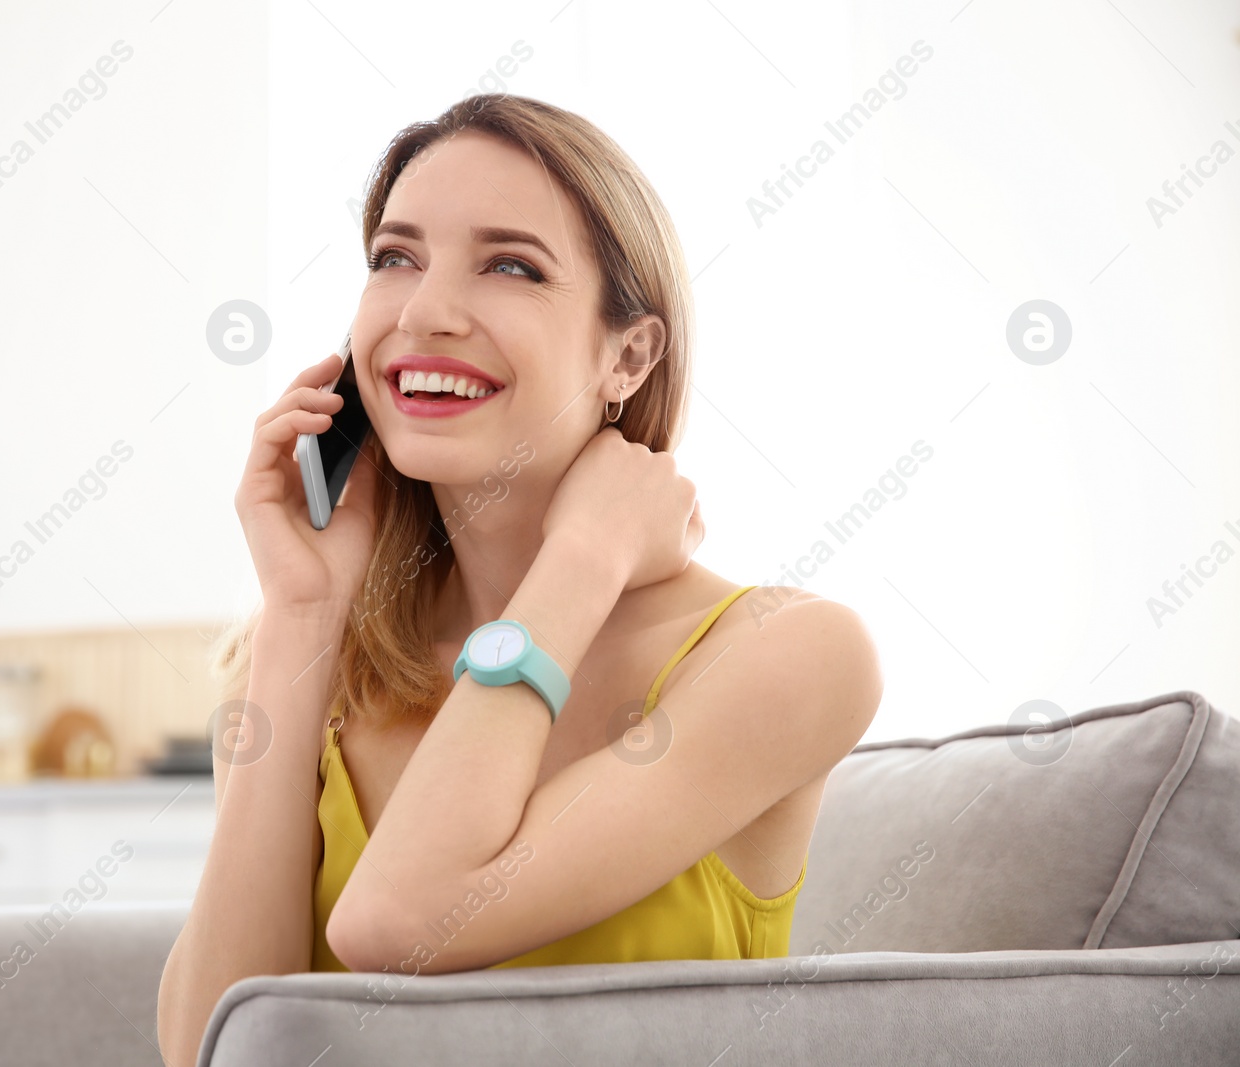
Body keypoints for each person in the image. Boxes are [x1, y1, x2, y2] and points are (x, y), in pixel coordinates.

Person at [157, 93, 882, 1067]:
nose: (424, 311)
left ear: (629, 354)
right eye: (394, 257)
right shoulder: (301, 656)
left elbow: (397, 919)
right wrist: (298, 614)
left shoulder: (793, 653)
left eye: (510, 265)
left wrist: (580, 565)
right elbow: (210, 1041)